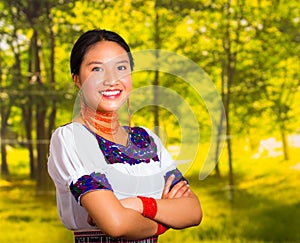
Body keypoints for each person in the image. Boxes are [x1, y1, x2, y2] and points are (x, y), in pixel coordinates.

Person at [47, 29, 202, 243]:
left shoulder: (147, 140)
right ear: (77, 79)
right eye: (97, 69)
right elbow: (116, 224)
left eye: (121, 68)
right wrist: (167, 218)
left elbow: (193, 212)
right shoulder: (71, 138)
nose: (112, 80)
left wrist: (137, 204)